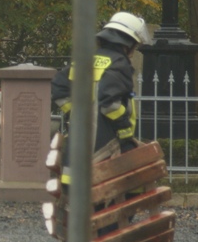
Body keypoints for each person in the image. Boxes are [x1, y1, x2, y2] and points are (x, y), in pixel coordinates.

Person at [51, 11, 150, 186]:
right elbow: (110, 104)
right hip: (103, 152)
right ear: (128, 43)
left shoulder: (84, 60)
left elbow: (58, 89)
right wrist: (125, 131)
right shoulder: (119, 64)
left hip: (74, 159)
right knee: (134, 185)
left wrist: (76, 111)